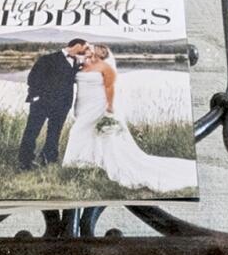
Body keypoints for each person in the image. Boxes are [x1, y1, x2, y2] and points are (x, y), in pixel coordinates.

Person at [56, 42, 197, 194]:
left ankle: (84, 163)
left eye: (102, 51)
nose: (97, 52)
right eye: (96, 49)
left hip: (99, 104)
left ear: (105, 55)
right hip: (84, 105)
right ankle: (83, 163)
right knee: (81, 132)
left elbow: (110, 88)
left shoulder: (105, 67)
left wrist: (109, 108)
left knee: (88, 133)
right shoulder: (82, 64)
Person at [15, 40, 80, 168]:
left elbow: (72, 80)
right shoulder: (48, 59)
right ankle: (25, 161)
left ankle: (49, 159)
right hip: (42, 102)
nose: (84, 52)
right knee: (32, 131)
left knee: (55, 132)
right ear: (76, 46)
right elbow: (33, 78)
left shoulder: (77, 63)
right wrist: (36, 97)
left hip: (62, 104)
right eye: (83, 48)